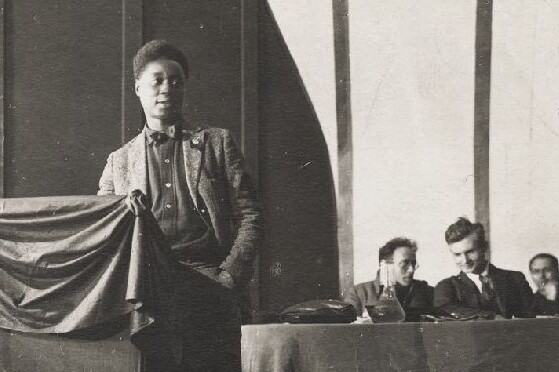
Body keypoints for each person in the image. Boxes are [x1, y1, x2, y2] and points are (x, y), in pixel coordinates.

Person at [98, 40, 263, 371]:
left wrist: (229, 277)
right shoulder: (118, 163)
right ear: (138, 88)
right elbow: (105, 234)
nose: (167, 89)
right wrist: (123, 213)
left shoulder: (217, 143)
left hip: (210, 287)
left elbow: (251, 217)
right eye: (157, 80)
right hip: (150, 295)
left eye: (176, 81)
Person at [434, 217, 533, 319]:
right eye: (457, 254)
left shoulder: (515, 279)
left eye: (470, 252)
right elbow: (445, 311)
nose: (465, 260)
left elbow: (529, 320)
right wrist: (491, 316)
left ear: (484, 247)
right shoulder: (446, 287)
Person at [342, 237, 433, 322]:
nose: (411, 269)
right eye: (404, 263)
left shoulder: (426, 291)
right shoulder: (360, 293)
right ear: (386, 266)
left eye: (413, 264)